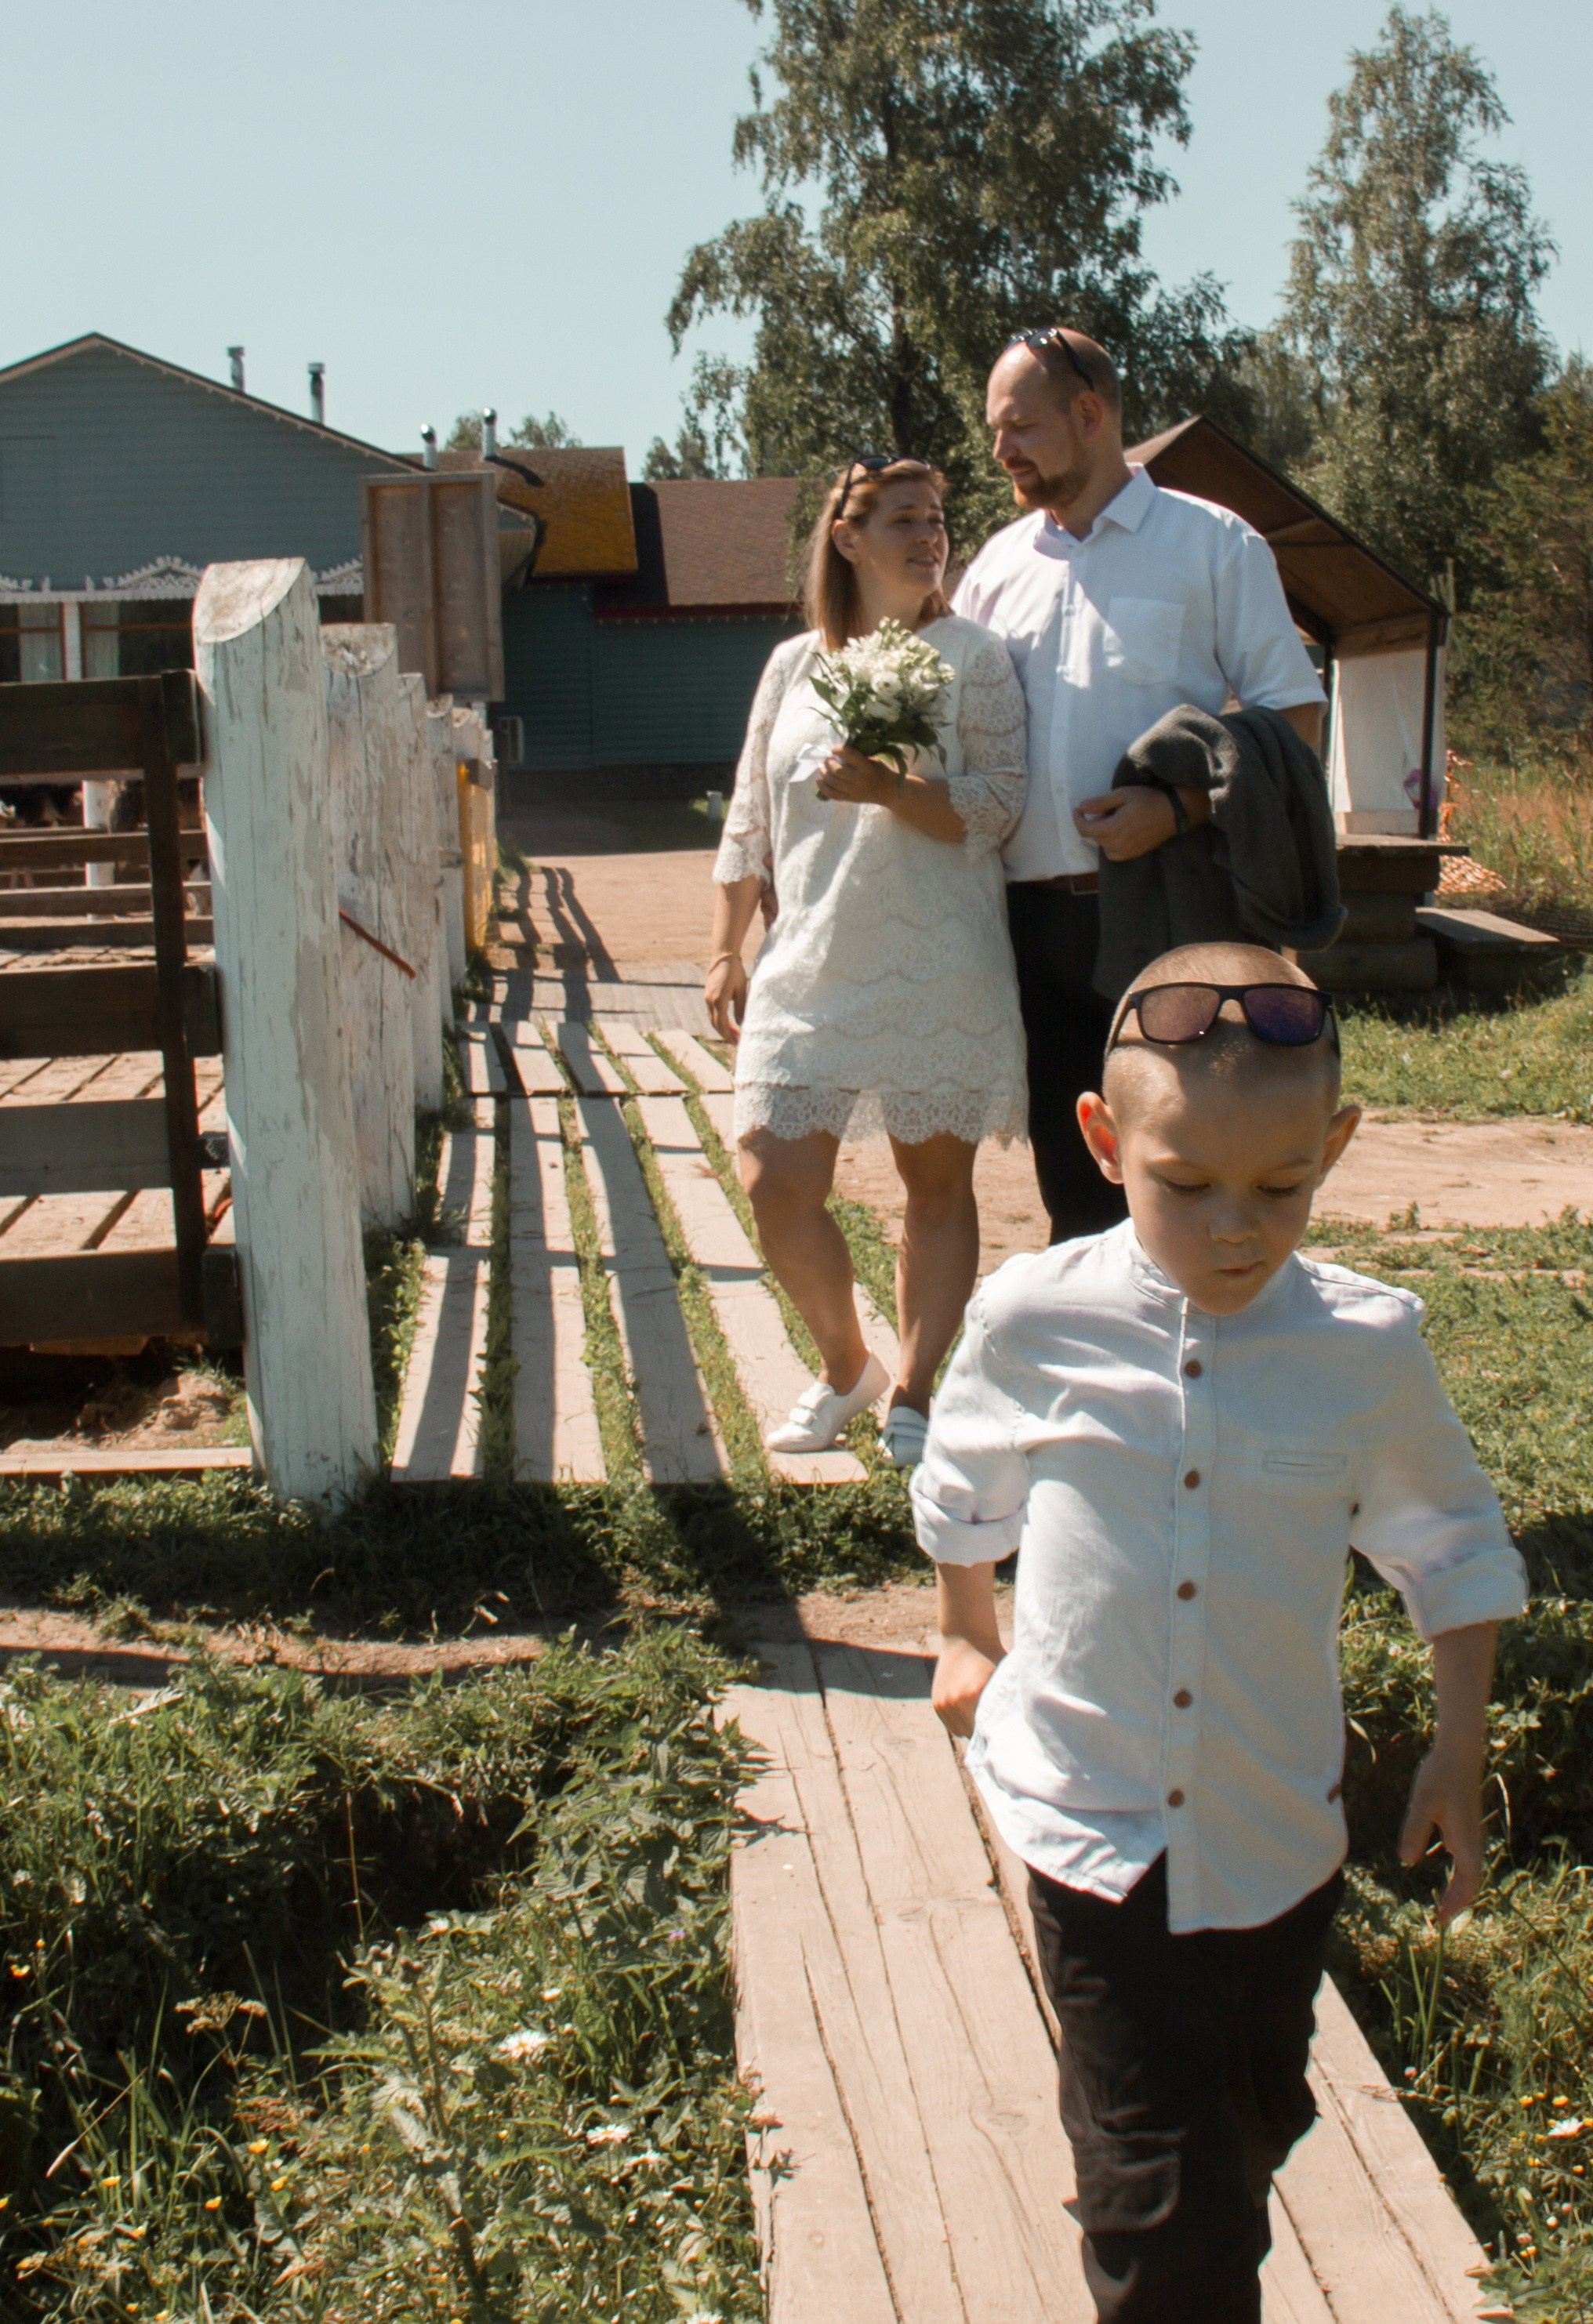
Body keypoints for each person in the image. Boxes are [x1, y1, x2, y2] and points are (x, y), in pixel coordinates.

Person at [912, 941, 1526, 2322]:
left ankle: (1158, 2174)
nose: (1236, 1228)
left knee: (1249, 2128)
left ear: (1338, 1144)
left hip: (1271, 1842)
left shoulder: (1364, 1351)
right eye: (1185, 1187)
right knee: (1167, 2212)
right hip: (1090, 1828)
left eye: (1280, 1188)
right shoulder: (1033, 1316)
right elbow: (963, 1477)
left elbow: (1451, 1550)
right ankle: (1141, 2201)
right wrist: (965, 1627)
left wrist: (1455, 1746)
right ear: (1102, 1139)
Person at [953, 327, 1330, 1245]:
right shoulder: (996, 567)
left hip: (1175, 915)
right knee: (1072, 1175)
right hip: (1029, 922)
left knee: (1190, 1167)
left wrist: (1176, 809)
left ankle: (1201, 1366)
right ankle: (1104, 1373)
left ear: (1089, 415)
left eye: (1018, 427)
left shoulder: (1210, 543)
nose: (1000, 450)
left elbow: (1294, 721)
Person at [706, 456, 1029, 1467]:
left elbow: (998, 805)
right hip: (807, 958)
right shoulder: (790, 666)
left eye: (936, 518)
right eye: (903, 519)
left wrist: (895, 791)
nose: (929, 535)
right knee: (770, 1175)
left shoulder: (975, 656)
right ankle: (848, 1368)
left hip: (938, 956)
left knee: (935, 1188)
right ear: (847, 538)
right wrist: (724, 946)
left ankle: (915, 1395)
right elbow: (751, 818)